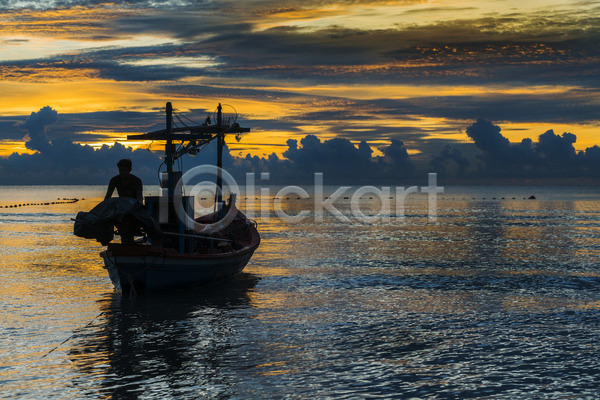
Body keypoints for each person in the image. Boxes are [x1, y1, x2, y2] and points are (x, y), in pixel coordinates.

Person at [105, 159, 143, 244]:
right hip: (121, 209)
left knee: (130, 229)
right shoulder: (114, 180)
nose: (122, 173)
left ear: (130, 170)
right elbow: (107, 198)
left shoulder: (136, 181)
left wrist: (137, 207)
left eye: (124, 170)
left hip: (134, 209)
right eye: (120, 170)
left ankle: (129, 240)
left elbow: (140, 199)